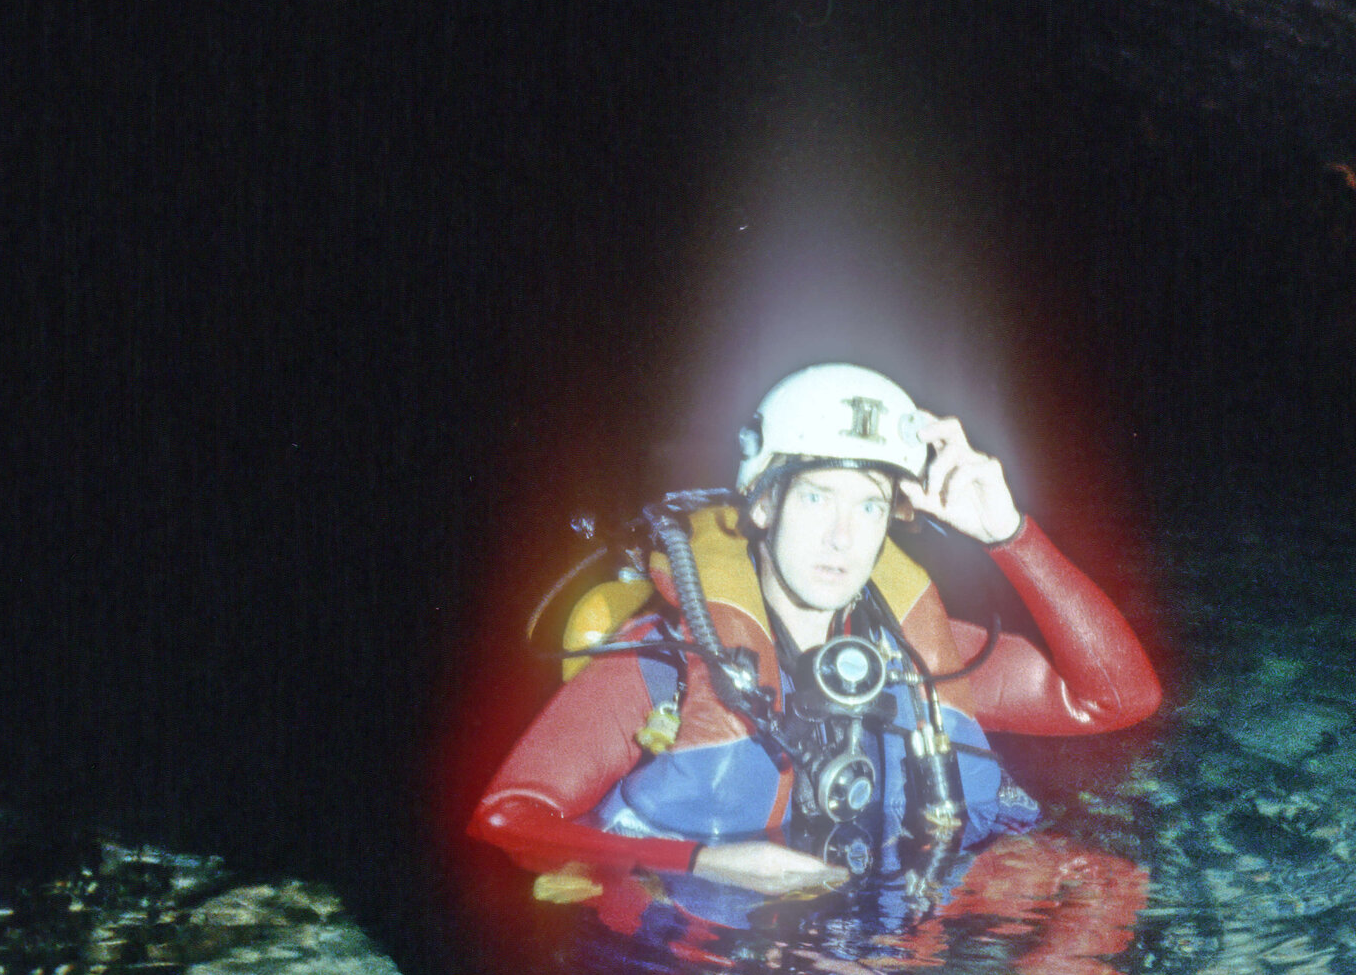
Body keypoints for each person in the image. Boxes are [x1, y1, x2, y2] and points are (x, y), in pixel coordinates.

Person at [470, 363, 1160, 898]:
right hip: (700, 953)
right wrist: (707, 862)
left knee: (1109, 883)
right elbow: (506, 817)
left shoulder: (917, 653)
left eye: (869, 504)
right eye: (816, 496)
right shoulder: (670, 664)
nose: (842, 537)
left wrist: (1010, 534)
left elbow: (1117, 700)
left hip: (885, 945)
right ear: (764, 505)